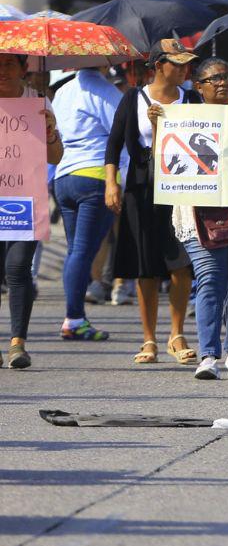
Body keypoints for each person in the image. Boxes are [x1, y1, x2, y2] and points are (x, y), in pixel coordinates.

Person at [104, 39, 199, 365]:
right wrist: (110, 183)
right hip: (142, 186)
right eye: (178, 63)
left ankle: (177, 332)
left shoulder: (192, 98)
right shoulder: (133, 97)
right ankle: (148, 338)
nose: (185, 69)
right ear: (158, 65)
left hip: (183, 187)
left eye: (187, 63)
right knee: (145, 266)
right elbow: (114, 144)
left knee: (182, 264)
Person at [172, 57, 228, 380]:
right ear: (198, 86)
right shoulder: (183, 119)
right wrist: (158, 126)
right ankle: (208, 355)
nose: (223, 82)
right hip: (198, 212)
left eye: (227, 75)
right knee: (211, 277)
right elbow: (166, 158)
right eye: (214, 78)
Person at [53, 65, 123, 349]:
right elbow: (120, 138)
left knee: (75, 251)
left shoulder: (62, 91)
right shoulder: (106, 91)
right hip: (95, 177)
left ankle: (74, 316)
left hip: (64, 176)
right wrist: (120, 181)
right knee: (84, 251)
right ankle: (74, 319)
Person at [0, 53, 63, 368]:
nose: (2, 71)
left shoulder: (37, 102)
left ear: (24, 69)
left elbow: (55, 156)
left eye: (9, 64)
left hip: (24, 199)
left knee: (18, 269)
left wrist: (49, 131)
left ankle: (17, 344)